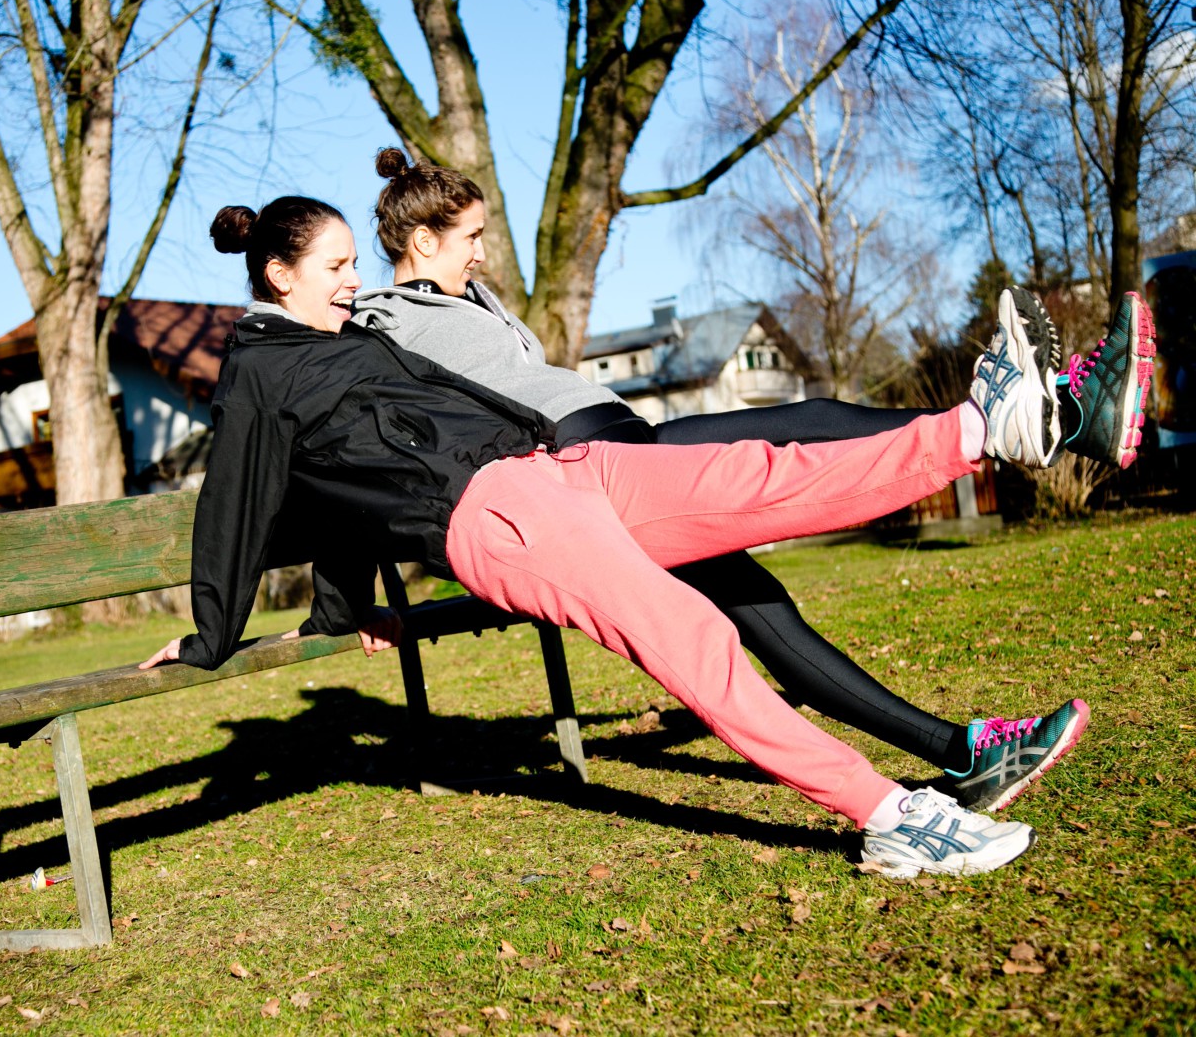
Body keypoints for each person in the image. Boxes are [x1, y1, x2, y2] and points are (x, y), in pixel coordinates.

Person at [141, 194, 1070, 878]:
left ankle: (985, 429)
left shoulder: (345, 339)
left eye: (352, 263)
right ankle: (890, 816)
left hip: (558, 469)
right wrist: (212, 634)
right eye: (338, 267)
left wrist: (350, 606)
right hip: (499, 521)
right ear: (279, 274)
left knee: (759, 475)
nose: (354, 281)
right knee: (694, 636)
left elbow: (352, 485)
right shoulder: (258, 374)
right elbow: (254, 503)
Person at [344, 148, 1155, 812]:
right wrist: (360, 597)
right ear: (421, 242)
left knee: (808, 440)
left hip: (626, 446)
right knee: (771, 618)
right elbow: (365, 449)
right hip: (590, 483)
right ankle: (1027, 431)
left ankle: (1023, 428)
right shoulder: (383, 327)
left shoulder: (475, 299)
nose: (483, 250)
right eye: (470, 236)